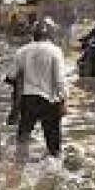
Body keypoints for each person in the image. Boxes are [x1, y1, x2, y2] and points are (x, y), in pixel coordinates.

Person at [7, 18, 68, 158]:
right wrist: (64, 101)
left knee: (23, 139)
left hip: (28, 101)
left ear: (32, 34)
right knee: (54, 147)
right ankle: (54, 170)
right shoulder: (55, 51)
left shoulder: (22, 51)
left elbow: (11, 76)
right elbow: (60, 81)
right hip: (50, 102)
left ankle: (19, 165)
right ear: (50, 35)